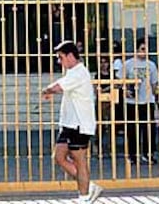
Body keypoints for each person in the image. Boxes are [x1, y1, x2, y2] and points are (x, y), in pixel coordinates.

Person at [42, 41, 102, 204]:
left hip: (80, 125)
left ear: (70, 56)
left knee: (79, 160)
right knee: (59, 156)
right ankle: (89, 187)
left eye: (60, 57)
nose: (59, 61)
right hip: (69, 124)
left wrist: (46, 90)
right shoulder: (72, 73)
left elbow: (58, 87)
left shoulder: (79, 73)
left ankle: (84, 196)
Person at [118, 38, 158, 164]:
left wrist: (155, 99)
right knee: (132, 129)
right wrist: (125, 90)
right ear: (136, 49)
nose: (144, 52)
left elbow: (154, 84)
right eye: (142, 49)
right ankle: (132, 155)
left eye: (146, 49)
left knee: (148, 129)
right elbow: (120, 81)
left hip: (147, 101)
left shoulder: (151, 65)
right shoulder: (128, 64)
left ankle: (148, 153)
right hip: (131, 102)